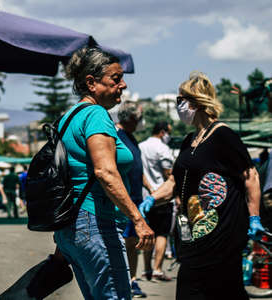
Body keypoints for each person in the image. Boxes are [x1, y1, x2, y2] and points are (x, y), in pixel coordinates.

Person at [139, 71, 264, 299]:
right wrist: (152, 198)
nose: (179, 106)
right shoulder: (190, 139)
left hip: (222, 235)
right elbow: (175, 181)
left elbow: (251, 176)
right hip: (194, 236)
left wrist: (254, 217)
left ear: (197, 102)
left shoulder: (223, 135)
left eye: (181, 100)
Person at [53, 46, 155, 300]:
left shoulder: (68, 117)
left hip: (72, 223)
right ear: (91, 82)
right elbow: (105, 172)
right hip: (94, 221)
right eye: (116, 78)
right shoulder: (96, 115)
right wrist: (138, 220)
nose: (123, 85)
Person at [116, 102, 153, 298]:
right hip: (125, 201)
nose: (140, 122)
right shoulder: (117, 137)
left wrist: (151, 189)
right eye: (138, 118)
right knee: (125, 242)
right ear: (130, 118)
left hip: (138, 199)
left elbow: (138, 171)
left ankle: (132, 279)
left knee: (134, 242)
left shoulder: (132, 139)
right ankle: (125, 280)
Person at [139, 121, 175, 281]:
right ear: (162, 132)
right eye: (168, 132)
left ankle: (146, 269)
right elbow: (169, 175)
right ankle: (157, 269)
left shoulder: (141, 146)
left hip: (145, 196)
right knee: (161, 234)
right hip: (162, 197)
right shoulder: (162, 148)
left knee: (148, 233)